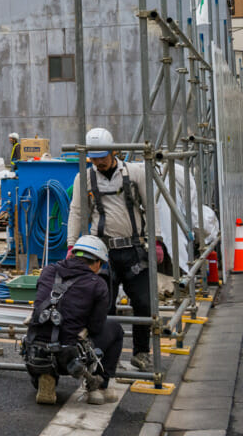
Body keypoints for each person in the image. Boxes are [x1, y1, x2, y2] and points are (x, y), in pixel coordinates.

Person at [67, 126, 153, 371]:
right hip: (100, 252)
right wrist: (72, 244)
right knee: (104, 306)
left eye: (102, 157)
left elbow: (152, 207)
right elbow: (76, 212)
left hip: (133, 248)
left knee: (143, 303)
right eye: (93, 158)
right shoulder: (84, 177)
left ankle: (141, 353)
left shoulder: (134, 173)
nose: (98, 162)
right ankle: (103, 355)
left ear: (114, 151)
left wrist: (156, 240)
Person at [23, 235, 123, 405]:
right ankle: (98, 387)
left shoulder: (48, 271)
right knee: (115, 329)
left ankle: (46, 377)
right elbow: (96, 326)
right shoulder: (97, 284)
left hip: (34, 353)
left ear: (72, 254)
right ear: (97, 263)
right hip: (69, 358)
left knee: (46, 335)